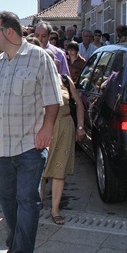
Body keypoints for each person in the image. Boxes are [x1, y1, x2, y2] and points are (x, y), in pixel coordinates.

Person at [0, 12, 62, 253]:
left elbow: (53, 99)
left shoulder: (40, 59)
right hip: (2, 147)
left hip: (30, 145)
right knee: (7, 201)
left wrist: (47, 128)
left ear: (9, 32)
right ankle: (14, 247)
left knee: (27, 200)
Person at [40, 52, 85, 224]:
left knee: (59, 170)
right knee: (41, 169)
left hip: (65, 126)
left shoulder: (65, 79)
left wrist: (80, 127)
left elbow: (79, 104)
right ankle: (38, 203)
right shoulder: (37, 81)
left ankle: (55, 210)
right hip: (44, 127)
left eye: (52, 61)